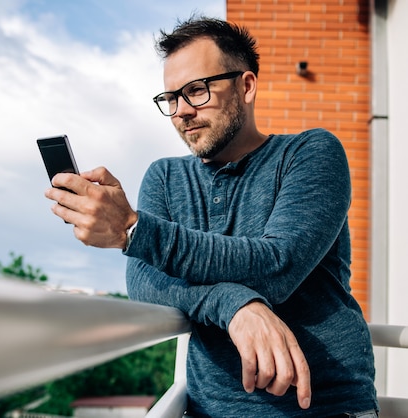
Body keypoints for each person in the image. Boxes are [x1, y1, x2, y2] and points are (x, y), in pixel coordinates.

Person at [44, 16, 378, 417]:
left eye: (197, 90)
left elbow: (277, 265)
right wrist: (231, 304)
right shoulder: (165, 176)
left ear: (246, 86)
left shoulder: (311, 153)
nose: (181, 111)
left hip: (324, 406)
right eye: (171, 98)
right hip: (208, 409)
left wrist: (132, 229)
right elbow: (144, 281)